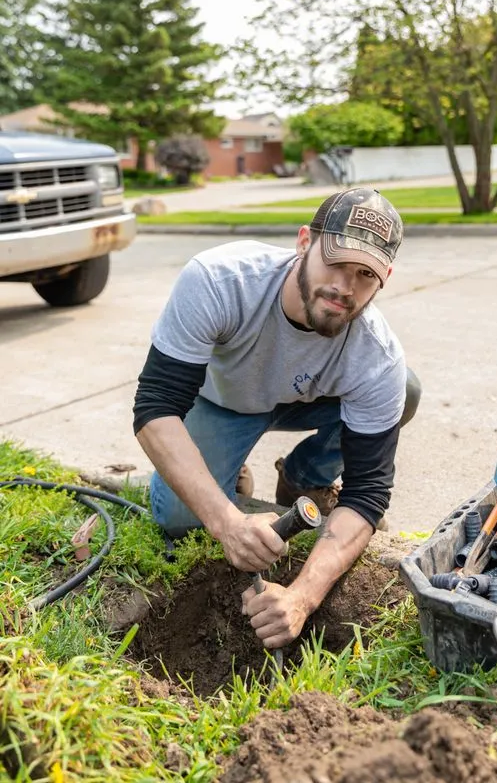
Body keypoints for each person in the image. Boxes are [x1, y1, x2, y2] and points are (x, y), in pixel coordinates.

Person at [133, 186, 421, 649]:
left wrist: (302, 598)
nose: (345, 288)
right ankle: (224, 467)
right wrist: (227, 521)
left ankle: (304, 477)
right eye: (336, 263)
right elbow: (155, 406)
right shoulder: (220, 280)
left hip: (306, 398)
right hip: (222, 400)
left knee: (404, 389)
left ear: (384, 277)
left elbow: (368, 493)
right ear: (304, 241)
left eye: (365, 275)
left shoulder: (375, 354)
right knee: (179, 517)